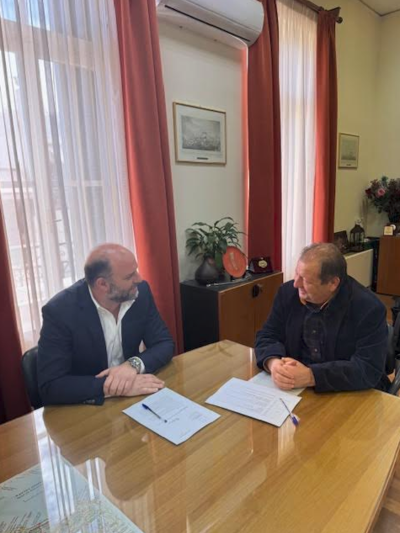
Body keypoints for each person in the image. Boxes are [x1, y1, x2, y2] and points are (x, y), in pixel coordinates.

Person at [38, 243, 174, 405]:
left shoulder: (140, 292)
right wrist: (115, 387)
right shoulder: (60, 311)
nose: (139, 279)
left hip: (134, 398)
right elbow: (51, 386)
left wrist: (132, 365)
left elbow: (164, 343)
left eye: (136, 271)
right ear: (102, 284)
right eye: (129, 276)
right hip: (87, 406)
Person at [255, 243, 389, 392]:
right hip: (296, 387)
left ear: (333, 283)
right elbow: (268, 334)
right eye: (297, 274)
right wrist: (273, 363)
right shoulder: (287, 293)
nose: (296, 284)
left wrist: (311, 376)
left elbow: (367, 368)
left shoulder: (368, 308)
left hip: (348, 391)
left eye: (306, 280)